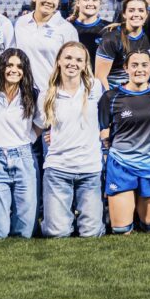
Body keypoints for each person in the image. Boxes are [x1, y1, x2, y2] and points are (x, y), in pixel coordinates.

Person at [35, 41, 105, 238]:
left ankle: (95, 216)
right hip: (58, 170)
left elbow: (107, 117)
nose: (72, 63)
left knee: (91, 234)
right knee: (57, 233)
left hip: (90, 169)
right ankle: (57, 220)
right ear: (58, 61)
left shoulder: (96, 88)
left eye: (78, 59)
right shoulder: (47, 94)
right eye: (67, 58)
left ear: (85, 64)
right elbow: (39, 127)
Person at [99, 50, 150, 234]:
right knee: (122, 230)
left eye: (144, 65)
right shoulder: (110, 97)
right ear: (125, 68)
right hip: (122, 164)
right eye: (134, 65)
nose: (139, 69)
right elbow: (102, 130)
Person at [0, 49, 40, 239]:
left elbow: (40, 123)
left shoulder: (32, 95)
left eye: (19, 67)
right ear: (1, 67)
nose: (14, 70)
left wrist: (29, 140)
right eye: (10, 65)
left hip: (24, 158)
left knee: (25, 233)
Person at [14, 0, 79, 93]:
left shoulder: (67, 29)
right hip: (22, 94)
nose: (49, 0)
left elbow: (74, 66)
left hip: (52, 95)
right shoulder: (21, 23)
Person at [95, 0, 150, 90]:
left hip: (138, 94)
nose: (136, 14)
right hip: (115, 95)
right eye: (131, 10)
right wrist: (109, 99)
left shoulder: (149, 37)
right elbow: (100, 78)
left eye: (141, 10)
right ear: (124, 14)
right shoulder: (111, 39)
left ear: (146, 14)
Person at [69, 0, 109, 71]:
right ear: (78, 3)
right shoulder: (67, 27)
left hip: (99, 82)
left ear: (100, 3)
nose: (90, 3)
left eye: (94, 0)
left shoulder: (109, 29)